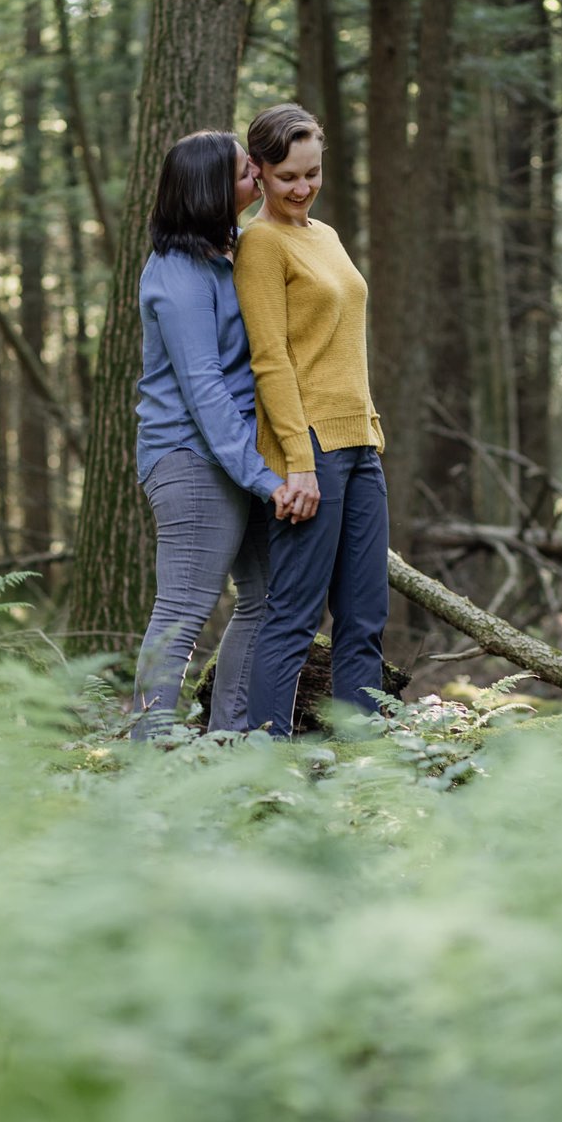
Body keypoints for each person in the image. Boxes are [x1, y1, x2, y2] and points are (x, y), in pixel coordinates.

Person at [132, 130, 299, 737]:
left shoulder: (230, 255)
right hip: (190, 459)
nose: (257, 175)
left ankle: (226, 741)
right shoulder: (176, 276)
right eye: (243, 173)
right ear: (209, 192)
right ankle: (149, 756)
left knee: (268, 598)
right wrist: (265, 479)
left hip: (240, 456)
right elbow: (204, 391)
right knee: (181, 612)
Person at [234, 103, 389, 738]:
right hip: (311, 451)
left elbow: (342, 343)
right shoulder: (260, 244)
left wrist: (370, 429)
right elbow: (270, 360)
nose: (302, 188)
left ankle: (364, 765)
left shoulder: (323, 235)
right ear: (260, 173)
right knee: (294, 617)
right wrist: (298, 462)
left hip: (362, 442)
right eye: (287, 176)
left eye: (312, 173)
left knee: (365, 618)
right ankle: (268, 767)